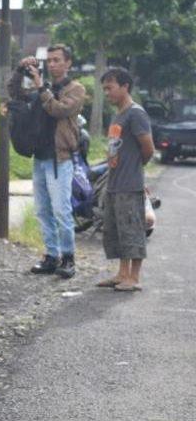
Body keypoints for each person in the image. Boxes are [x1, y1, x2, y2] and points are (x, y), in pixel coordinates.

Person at [10, 45, 86, 279]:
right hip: (40, 158)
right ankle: (51, 256)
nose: (52, 64)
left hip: (60, 159)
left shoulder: (76, 89)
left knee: (62, 211)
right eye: (49, 60)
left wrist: (40, 85)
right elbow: (15, 93)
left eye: (57, 60)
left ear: (68, 63)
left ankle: (68, 257)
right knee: (43, 211)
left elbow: (58, 110)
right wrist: (20, 69)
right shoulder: (44, 87)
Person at [97, 68, 154, 292]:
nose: (107, 92)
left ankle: (134, 277)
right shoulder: (118, 114)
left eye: (110, 88)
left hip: (130, 185)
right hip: (114, 184)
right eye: (105, 89)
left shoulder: (136, 113)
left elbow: (148, 149)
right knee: (117, 231)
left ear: (125, 87)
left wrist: (134, 169)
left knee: (132, 230)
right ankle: (122, 274)